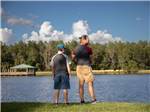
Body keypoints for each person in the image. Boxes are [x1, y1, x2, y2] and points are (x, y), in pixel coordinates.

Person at [72, 35, 97, 104]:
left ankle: (82, 101)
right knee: (90, 84)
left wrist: (76, 62)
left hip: (79, 67)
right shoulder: (88, 49)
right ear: (84, 40)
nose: (89, 41)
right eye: (88, 39)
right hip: (86, 67)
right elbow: (91, 58)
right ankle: (93, 100)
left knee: (81, 85)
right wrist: (90, 62)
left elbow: (73, 57)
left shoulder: (75, 48)